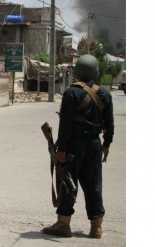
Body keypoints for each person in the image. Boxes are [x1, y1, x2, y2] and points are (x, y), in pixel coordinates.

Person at [42, 54, 114, 239]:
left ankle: (63, 224)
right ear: (95, 72)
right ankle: (96, 226)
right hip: (94, 145)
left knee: (67, 183)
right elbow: (110, 125)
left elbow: (66, 126)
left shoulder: (71, 93)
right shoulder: (104, 94)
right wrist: (105, 145)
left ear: (77, 72)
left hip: (73, 145)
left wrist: (62, 151)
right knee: (93, 184)